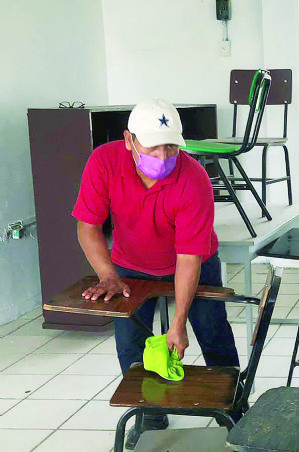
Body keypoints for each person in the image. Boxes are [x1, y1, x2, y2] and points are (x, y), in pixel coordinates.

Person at [71, 98, 239, 447]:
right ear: (129, 139)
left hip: (194, 261)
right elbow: (88, 225)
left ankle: (235, 410)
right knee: (131, 341)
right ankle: (149, 415)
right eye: (153, 146)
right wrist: (108, 275)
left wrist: (178, 322)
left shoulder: (193, 178)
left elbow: (189, 257)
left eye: (171, 146)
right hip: (130, 264)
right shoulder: (104, 162)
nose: (163, 157)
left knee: (211, 331)